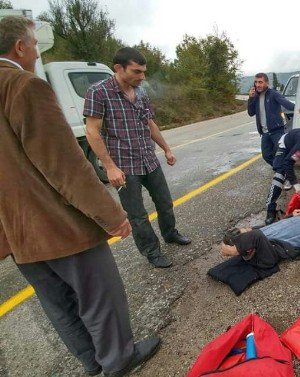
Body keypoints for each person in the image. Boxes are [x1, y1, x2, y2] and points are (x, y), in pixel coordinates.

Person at [0, 16, 159, 376]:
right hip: (58, 227)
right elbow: (65, 166)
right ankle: (118, 359)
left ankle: (92, 361)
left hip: (16, 233)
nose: (36, 53)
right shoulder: (25, 87)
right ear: (20, 47)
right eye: (34, 45)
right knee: (100, 298)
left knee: (58, 305)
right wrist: (111, 215)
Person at [84, 47, 191, 268]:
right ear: (118, 68)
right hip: (124, 167)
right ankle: (152, 252)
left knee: (165, 203)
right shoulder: (99, 92)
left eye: (143, 72)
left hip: (148, 160)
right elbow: (92, 131)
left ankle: (170, 234)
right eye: (136, 71)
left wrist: (166, 148)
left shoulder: (140, 92)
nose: (142, 77)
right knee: (138, 215)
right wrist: (109, 167)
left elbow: (149, 123)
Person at [247, 72, 300, 165]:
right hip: (265, 133)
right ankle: (280, 169)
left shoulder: (273, 94)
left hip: (276, 131)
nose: (257, 85)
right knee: (266, 156)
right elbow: (251, 113)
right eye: (256, 82)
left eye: (260, 82)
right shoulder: (255, 96)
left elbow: (286, 103)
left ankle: (282, 171)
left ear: (267, 83)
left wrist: (298, 109)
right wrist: (251, 98)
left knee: (280, 153)